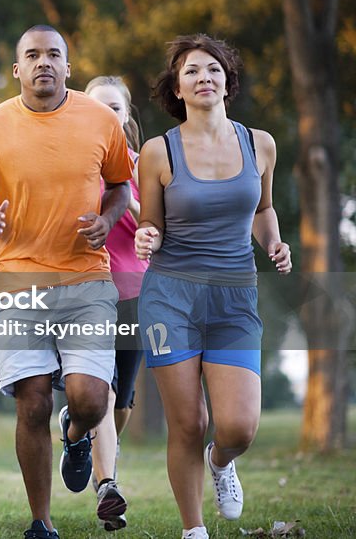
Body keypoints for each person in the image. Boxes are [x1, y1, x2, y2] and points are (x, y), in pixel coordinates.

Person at [0, 25, 133, 539]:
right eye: (32, 55)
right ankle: (41, 522)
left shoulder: (100, 120)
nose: (43, 63)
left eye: (54, 54)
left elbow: (120, 184)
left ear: (68, 67)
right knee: (32, 399)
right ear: (18, 69)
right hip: (18, 282)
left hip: (87, 282)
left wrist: (107, 218)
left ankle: (75, 436)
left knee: (93, 399)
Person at [134, 34, 291, 539]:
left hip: (234, 295)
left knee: (238, 428)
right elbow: (152, 226)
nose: (204, 78)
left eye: (213, 70)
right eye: (192, 71)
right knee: (187, 423)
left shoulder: (259, 144)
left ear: (228, 81)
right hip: (171, 296)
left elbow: (263, 210)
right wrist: (145, 236)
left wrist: (274, 243)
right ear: (177, 88)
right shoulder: (158, 151)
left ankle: (221, 463)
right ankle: (193, 530)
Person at [83, 75, 149, 532]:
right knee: (101, 394)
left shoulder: (145, 166)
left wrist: (120, 199)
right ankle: (108, 486)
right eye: (97, 108)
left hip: (137, 296)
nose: (107, 116)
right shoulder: (77, 165)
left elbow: (158, 225)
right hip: (87, 293)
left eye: (115, 108)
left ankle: (90, 439)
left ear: (127, 117)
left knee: (120, 401)